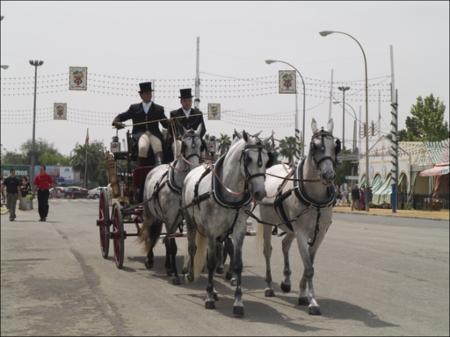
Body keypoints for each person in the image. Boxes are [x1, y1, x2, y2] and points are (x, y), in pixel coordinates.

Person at [112, 82, 169, 166]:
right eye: (146, 93)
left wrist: (170, 122)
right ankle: (140, 169)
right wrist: (116, 121)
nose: (149, 95)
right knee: (143, 147)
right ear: (141, 95)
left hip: (154, 134)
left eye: (150, 93)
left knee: (157, 146)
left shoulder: (158, 109)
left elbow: (165, 124)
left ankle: (159, 167)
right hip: (140, 135)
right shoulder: (134, 108)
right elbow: (122, 116)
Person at [169, 88, 206, 157]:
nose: (188, 103)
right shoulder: (174, 114)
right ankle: (177, 165)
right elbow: (172, 130)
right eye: (185, 101)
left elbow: (203, 129)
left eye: (189, 101)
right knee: (178, 145)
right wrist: (179, 137)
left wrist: (197, 137)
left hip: (195, 139)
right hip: (180, 140)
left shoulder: (198, 113)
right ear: (181, 102)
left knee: (200, 145)